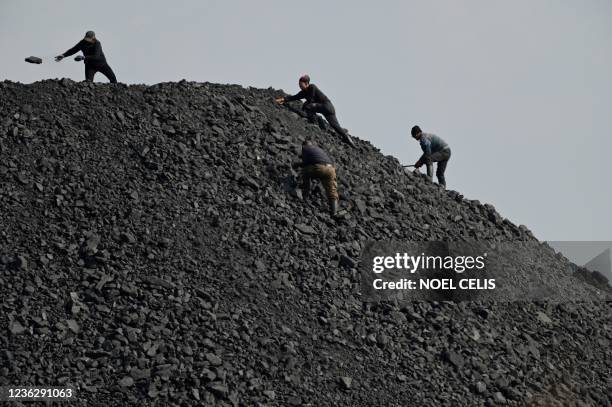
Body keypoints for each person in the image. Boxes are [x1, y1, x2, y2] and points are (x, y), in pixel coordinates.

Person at [276, 75, 356, 147]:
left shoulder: (312, 87)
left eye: (301, 85)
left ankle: (314, 122)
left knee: (307, 105)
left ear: (307, 83)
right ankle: (348, 140)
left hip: (327, 106)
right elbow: (295, 97)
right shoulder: (303, 92)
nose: (300, 86)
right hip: (326, 108)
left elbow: (311, 99)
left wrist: (305, 105)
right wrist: (283, 99)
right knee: (335, 126)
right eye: (299, 85)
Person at [292, 140, 340, 215]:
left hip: (318, 167)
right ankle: (334, 212)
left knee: (305, 171)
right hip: (330, 169)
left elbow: (306, 163)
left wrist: (297, 165)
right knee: (332, 190)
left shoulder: (305, 148)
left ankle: (305, 194)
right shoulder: (319, 149)